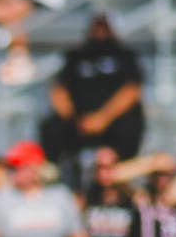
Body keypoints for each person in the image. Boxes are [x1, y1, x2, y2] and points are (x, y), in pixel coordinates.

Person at [39, 12, 145, 186]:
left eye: (104, 26)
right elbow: (58, 90)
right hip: (78, 122)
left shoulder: (125, 56)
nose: (100, 31)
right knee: (51, 126)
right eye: (97, 26)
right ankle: (53, 174)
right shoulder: (76, 56)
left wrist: (102, 118)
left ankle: (121, 173)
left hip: (112, 122)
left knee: (130, 125)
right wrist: (74, 118)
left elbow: (132, 91)